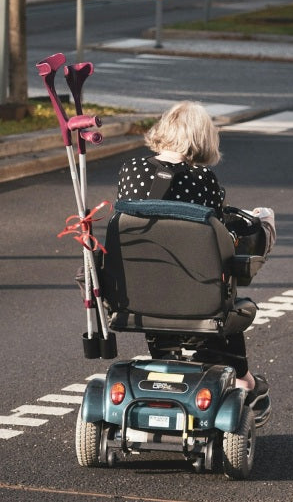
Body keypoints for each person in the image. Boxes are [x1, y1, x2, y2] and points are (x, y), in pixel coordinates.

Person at [115, 101, 274, 392]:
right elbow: (217, 231)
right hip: (195, 290)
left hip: (139, 289)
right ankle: (243, 379)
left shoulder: (131, 169)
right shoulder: (202, 178)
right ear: (202, 139)